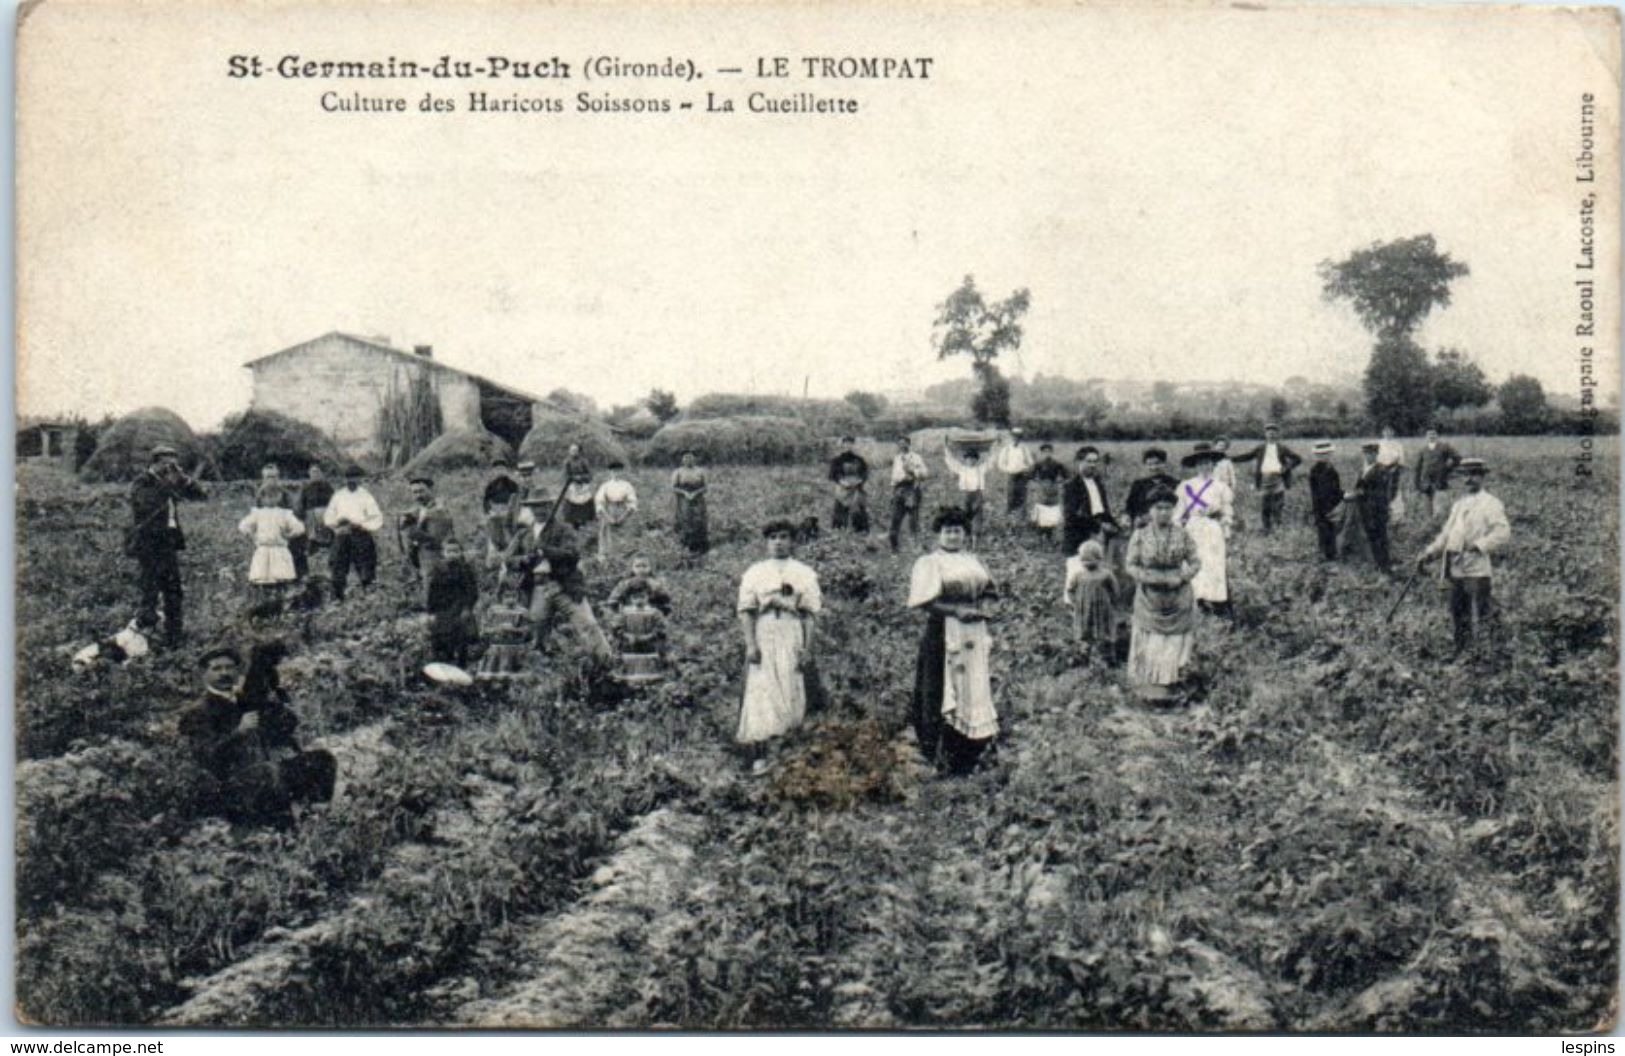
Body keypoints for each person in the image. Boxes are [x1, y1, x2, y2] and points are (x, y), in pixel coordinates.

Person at [177, 641, 336, 828]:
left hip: (267, 774)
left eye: (229, 668)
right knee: (268, 773)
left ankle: (316, 818)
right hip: (231, 786)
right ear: (204, 674)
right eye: (217, 668)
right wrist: (238, 732)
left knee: (321, 760)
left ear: (237, 672)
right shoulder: (198, 712)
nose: (224, 673)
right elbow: (206, 756)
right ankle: (281, 827)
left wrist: (277, 707)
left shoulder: (245, 701)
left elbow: (285, 725)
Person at [909, 507, 998, 775]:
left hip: (974, 628)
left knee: (973, 683)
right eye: (947, 531)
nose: (952, 536)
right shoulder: (930, 562)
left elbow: (989, 589)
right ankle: (937, 751)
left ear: (965, 534)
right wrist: (956, 610)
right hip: (944, 628)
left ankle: (971, 747)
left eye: (957, 531)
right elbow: (926, 602)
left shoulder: (973, 560)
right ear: (938, 534)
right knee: (942, 683)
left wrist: (985, 604)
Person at [736, 520, 823, 773]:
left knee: (791, 686)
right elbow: (746, 611)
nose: (778, 542)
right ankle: (760, 755)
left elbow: (810, 615)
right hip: (764, 634)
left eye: (784, 537)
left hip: (791, 633)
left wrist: (808, 649)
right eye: (773, 537)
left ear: (792, 541)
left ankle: (789, 752)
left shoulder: (804, 572)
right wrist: (751, 644)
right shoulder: (755, 572)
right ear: (766, 541)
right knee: (762, 690)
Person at [1416, 458, 1511, 658]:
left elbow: (1503, 532)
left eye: (1473, 475)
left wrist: (1479, 546)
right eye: (1465, 475)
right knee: (1459, 613)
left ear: (1481, 477)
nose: (1468, 480)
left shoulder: (1491, 503)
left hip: (1477, 569)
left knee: (1482, 612)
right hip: (1455, 568)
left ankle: (1488, 654)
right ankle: (1462, 653)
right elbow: (1446, 534)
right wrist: (1429, 553)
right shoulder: (1459, 504)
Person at [512, 488, 613, 665]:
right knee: (537, 628)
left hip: (563, 585)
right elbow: (507, 559)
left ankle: (606, 662)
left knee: (587, 625)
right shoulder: (524, 534)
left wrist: (547, 550)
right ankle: (543, 667)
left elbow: (572, 554)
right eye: (535, 507)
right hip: (537, 587)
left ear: (551, 506)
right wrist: (524, 559)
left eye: (543, 506)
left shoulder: (564, 529)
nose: (539, 510)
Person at [1124, 487, 1201, 701]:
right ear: (1150, 510)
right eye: (1158, 508)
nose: (1163, 513)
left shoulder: (1182, 534)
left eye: (1168, 508)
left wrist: (1183, 577)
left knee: (1174, 640)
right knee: (1151, 639)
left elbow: (1195, 561)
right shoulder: (1139, 535)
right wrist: (1148, 578)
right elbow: (1130, 564)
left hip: (1178, 594)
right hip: (1150, 595)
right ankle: (1148, 686)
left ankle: (1174, 682)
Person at [127, 444, 207, 648]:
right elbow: (147, 505)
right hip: (149, 544)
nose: (171, 468)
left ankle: (174, 637)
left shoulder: (172, 479)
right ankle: (143, 637)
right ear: (155, 463)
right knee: (150, 591)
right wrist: (168, 483)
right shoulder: (142, 482)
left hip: (168, 543)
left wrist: (186, 480)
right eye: (166, 464)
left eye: (174, 464)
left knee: (173, 591)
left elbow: (200, 495)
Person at [1176, 442, 1235, 618]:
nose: (1205, 466)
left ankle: (1216, 602)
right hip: (1193, 529)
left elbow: (1227, 511)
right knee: (1195, 565)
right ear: (1196, 465)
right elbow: (1178, 513)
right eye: (1201, 463)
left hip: (1213, 529)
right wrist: (1179, 530)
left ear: (1213, 464)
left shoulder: (1220, 486)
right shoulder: (1186, 486)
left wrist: (1226, 526)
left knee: (1214, 566)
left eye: (1208, 462)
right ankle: (1197, 602)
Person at [238, 483, 306, 609]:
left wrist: (290, 534)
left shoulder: (285, 514)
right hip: (263, 550)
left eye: (274, 496)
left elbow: (299, 527)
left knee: (281, 578)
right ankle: (265, 605)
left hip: (279, 550)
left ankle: (282, 604)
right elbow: (243, 525)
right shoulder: (258, 513)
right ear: (262, 498)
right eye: (267, 497)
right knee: (263, 578)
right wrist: (251, 535)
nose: (270, 499)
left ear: (279, 497)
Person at [323, 465, 384, 600]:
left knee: (366, 564)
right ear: (344, 479)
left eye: (355, 478)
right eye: (349, 478)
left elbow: (377, 518)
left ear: (360, 479)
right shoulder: (338, 496)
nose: (352, 481)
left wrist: (363, 525)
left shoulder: (366, 496)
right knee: (338, 565)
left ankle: (369, 593)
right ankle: (338, 596)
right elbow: (328, 516)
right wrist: (336, 527)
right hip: (342, 533)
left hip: (360, 534)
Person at [1230, 424, 1303, 535]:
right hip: (1264, 480)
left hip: (1278, 479)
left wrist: (1286, 467)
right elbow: (1247, 456)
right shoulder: (1260, 448)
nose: (1271, 434)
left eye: (1274, 432)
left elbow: (1298, 459)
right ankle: (1266, 529)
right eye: (1269, 432)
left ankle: (1278, 530)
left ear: (1277, 434)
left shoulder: (1282, 448)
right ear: (1265, 435)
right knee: (1265, 506)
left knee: (1278, 506)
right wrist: (1231, 459)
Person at [1341, 442, 1396, 574]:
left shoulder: (1382, 470)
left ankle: (1385, 566)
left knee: (1380, 539)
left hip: (1377, 510)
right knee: (1371, 538)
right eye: (1366, 454)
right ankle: (1377, 565)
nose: (1368, 456)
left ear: (1376, 454)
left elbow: (1381, 492)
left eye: (1371, 454)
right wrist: (1354, 493)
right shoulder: (1363, 469)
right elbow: (1359, 487)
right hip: (1365, 510)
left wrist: (1359, 494)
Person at [426, 538, 480, 666]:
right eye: (449, 551)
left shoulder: (465, 569)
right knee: (441, 636)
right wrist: (431, 612)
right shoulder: (438, 570)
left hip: (459, 608)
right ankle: (444, 662)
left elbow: (472, 591)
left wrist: (467, 607)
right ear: (443, 553)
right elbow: (432, 592)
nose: (452, 554)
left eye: (456, 551)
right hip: (442, 609)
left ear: (461, 553)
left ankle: (462, 664)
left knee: (461, 637)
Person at [1064, 539, 1119, 664]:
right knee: (1085, 633)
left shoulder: (1106, 574)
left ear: (1099, 559)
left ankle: (1108, 658)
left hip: (1102, 609)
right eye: (1085, 561)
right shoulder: (1078, 575)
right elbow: (1070, 590)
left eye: (1091, 560)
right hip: (1084, 610)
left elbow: (1115, 589)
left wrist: (1111, 603)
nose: (1088, 564)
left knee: (1105, 633)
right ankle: (1083, 656)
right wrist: (1075, 604)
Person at [1061, 446, 1121, 555]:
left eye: (1095, 461)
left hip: (1100, 533)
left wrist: (1115, 525)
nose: (1093, 465)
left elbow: (1103, 509)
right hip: (1079, 535)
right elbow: (1072, 515)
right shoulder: (1071, 486)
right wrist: (1100, 525)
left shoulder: (1098, 484)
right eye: (1089, 461)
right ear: (1079, 462)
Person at [401, 477, 456, 590]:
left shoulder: (440, 510)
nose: (418, 495)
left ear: (431, 490)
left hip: (436, 556)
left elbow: (436, 539)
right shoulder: (416, 510)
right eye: (414, 492)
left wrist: (412, 531)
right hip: (421, 557)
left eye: (421, 491)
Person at [291, 464, 335, 582]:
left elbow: (334, 502)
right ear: (309, 475)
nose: (315, 475)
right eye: (313, 472)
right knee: (312, 543)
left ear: (321, 474)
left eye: (317, 472)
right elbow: (300, 505)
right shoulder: (305, 489)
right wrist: (300, 517)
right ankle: (313, 571)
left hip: (326, 517)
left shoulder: (328, 487)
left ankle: (327, 569)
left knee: (327, 543)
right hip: (311, 518)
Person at [886, 437, 931, 552]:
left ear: (909, 444)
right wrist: (893, 492)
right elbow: (893, 477)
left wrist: (913, 471)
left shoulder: (916, 457)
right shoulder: (897, 459)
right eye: (900, 444)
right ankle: (894, 547)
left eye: (904, 443)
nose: (902, 446)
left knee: (913, 519)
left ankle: (915, 546)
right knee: (895, 518)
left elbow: (925, 474)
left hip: (912, 490)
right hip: (899, 490)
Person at [943, 442, 993, 540]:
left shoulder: (980, 469)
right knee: (964, 515)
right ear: (965, 460)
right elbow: (951, 461)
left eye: (973, 458)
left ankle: (975, 538)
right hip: (965, 494)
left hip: (977, 494)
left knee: (977, 516)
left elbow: (991, 461)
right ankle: (965, 536)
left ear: (976, 460)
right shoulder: (962, 469)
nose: (970, 460)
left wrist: (995, 446)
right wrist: (946, 447)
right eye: (968, 458)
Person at [594, 461, 639, 563]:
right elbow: (599, 503)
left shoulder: (627, 485)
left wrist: (623, 516)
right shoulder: (605, 486)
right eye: (613, 471)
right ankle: (606, 559)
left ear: (622, 472)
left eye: (618, 471)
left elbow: (632, 502)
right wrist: (608, 517)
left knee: (624, 535)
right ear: (610, 472)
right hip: (608, 510)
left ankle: (624, 559)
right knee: (606, 533)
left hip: (623, 510)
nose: (616, 473)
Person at [1124, 448, 1180, 528]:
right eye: (1149, 464)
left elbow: (1179, 508)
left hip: (1168, 523)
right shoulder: (1138, 485)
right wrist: (1128, 517)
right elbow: (1130, 507)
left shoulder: (1174, 484)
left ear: (1164, 464)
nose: (1154, 467)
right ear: (1145, 465)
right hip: (1143, 525)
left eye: (1157, 463)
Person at [1414, 428, 1462, 519]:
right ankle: (1428, 525)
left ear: (1437, 435)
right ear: (1426, 436)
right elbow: (1418, 468)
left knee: (1439, 508)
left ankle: (1437, 524)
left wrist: (1447, 469)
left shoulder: (1444, 447)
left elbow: (1457, 458)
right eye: (1429, 434)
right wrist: (1417, 483)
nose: (1431, 436)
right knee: (1427, 508)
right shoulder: (1423, 450)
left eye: (1434, 434)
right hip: (1426, 482)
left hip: (1440, 480)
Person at [1308, 441, 1343, 561]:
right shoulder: (1317, 470)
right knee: (1324, 530)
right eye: (1321, 454)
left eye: (1327, 454)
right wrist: (1342, 496)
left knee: (1330, 529)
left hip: (1331, 504)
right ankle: (1325, 555)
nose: (1325, 456)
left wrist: (1340, 496)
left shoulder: (1331, 469)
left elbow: (1335, 489)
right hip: (1322, 505)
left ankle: (1330, 554)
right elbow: (1324, 491)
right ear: (1317, 456)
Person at [828, 436, 871, 533]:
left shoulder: (859, 460)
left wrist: (860, 481)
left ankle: (861, 532)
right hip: (842, 489)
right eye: (846, 444)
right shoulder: (837, 460)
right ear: (842, 445)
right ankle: (839, 531)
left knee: (858, 509)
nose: (848, 446)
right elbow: (832, 475)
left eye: (850, 444)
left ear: (853, 445)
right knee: (840, 510)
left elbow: (865, 474)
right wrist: (841, 482)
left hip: (856, 489)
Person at [671, 451, 710, 557]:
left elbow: (705, 487)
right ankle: (686, 546)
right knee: (685, 520)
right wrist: (685, 493)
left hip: (698, 499)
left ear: (694, 459)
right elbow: (674, 487)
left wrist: (695, 493)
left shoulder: (701, 471)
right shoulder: (678, 472)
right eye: (686, 458)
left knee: (699, 520)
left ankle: (701, 547)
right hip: (684, 499)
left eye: (691, 458)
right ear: (682, 460)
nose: (688, 460)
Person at [1027, 443, 1069, 541]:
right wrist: (1035, 481)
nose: (1047, 454)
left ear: (1051, 452)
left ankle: (1050, 535)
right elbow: (1029, 475)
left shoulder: (1057, 463)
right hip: (1042, 489)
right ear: (1042, 453)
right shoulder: (1038, 464)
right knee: (1042, 511)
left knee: (1051, 512)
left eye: (1049, 451)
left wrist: (1060, 482)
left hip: (1053, 489)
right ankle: (1041, 535)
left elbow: (1066, 475)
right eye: (1045, 452)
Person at [606, 556, 673, 614]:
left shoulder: (657, 581)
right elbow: (612, 600)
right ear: (632, 568)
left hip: (652, 614)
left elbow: (668, 600)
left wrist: (656, 588)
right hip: (629, 613)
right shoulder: (625, 582)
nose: (641, 569)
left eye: (644, 566)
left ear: (650, 567)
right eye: (637, 566)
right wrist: (627, 585)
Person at [996, 428, 1035, 517]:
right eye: (1014, 436)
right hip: (1011, 475)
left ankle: (1022, 513)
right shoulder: (1006, 448)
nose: (1016, 438)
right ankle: (1009, 512)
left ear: (1020, 437)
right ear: (1011, 437)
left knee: (1022, 493)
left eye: (1018, 436)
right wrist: (1008, 469)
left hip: (1022, 475)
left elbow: (1031, 462)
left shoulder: (1024, 448)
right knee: (1010, 493)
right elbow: (1000, 463)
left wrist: (1026, 468)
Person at [560, 443, 597, 529]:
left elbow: (590, 475)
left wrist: (581, 478)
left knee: (585, 500)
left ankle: (584, 520)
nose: (574, 452)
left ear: (579, 451)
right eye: (572, 450)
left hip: (583, 484)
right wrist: (573, 478)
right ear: (569, 451)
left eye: (576, 450)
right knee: (571, 501)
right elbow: (565, 475)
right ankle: (573, 522)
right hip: (572, 485)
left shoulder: (584, 461)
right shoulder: (567, 462)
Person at [1377, 426, 1407, 523]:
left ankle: (1396, 517)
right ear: (1383, 432)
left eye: (1390, 431)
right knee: (1382, 492)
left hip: (1394, 471)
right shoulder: (1379, 444)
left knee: (1394, 492)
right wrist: (1381, 468)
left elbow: (1401, 459)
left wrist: (1395, 468)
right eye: (1386, 431)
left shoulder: (1398, 445)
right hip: (1381, 471)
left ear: (1393, 433)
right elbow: (1376, 459)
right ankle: (1383, 514)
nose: (1388, 433)